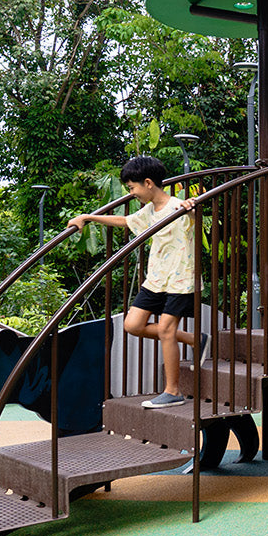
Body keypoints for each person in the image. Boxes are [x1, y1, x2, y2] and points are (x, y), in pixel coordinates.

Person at [67, 156, 199, 409]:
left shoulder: (179, 207)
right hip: (157, 279)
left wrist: (192, 208)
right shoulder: (150, 210)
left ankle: (172, 391)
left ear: (148, 183)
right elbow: (126, 222)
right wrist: (89, 217)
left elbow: (193, 215)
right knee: (133, 325)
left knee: (166, 329)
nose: (131, 193)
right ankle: (195, 339)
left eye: (132, 188)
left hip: (180, 278)